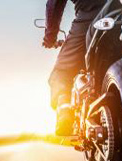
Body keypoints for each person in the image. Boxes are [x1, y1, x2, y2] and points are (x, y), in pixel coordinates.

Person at [44, 0, 106, 136]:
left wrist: (50, 36)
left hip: (91, 15)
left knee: (61, 71)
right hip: (117, 12)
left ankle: (65, 113)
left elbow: (54, 4)